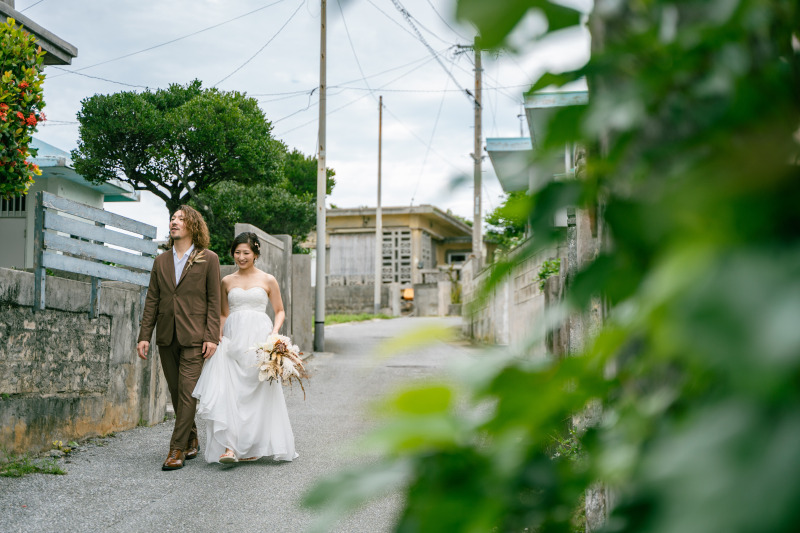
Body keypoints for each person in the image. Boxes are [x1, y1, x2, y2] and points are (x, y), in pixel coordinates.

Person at [192, 232, 298, 464]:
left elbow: (279, 310)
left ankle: (251, 445)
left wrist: (274, 334)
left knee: (257, 393)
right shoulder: (226, 281)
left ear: (256, 254)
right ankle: (230, 448)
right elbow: (223, 313)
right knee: (231, 391)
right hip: (233, 338)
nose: (241, 257)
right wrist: (218, 336)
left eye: (246, 253)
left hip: (260, 340)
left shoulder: (268, 280)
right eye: (237, 252)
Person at [137, 205, 221, 471]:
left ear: (192, 225)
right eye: (172, 218)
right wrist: (144, 336)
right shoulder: (160, 261)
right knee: (176, 392)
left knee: (187, 393)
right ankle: (192, 436)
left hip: (196, 336)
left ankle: (176, 449)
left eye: (180, 219)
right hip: (166, 336)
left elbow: (214, 300)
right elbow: (152, 299)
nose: (174, 222)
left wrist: (212, 337)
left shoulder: (209, 258)